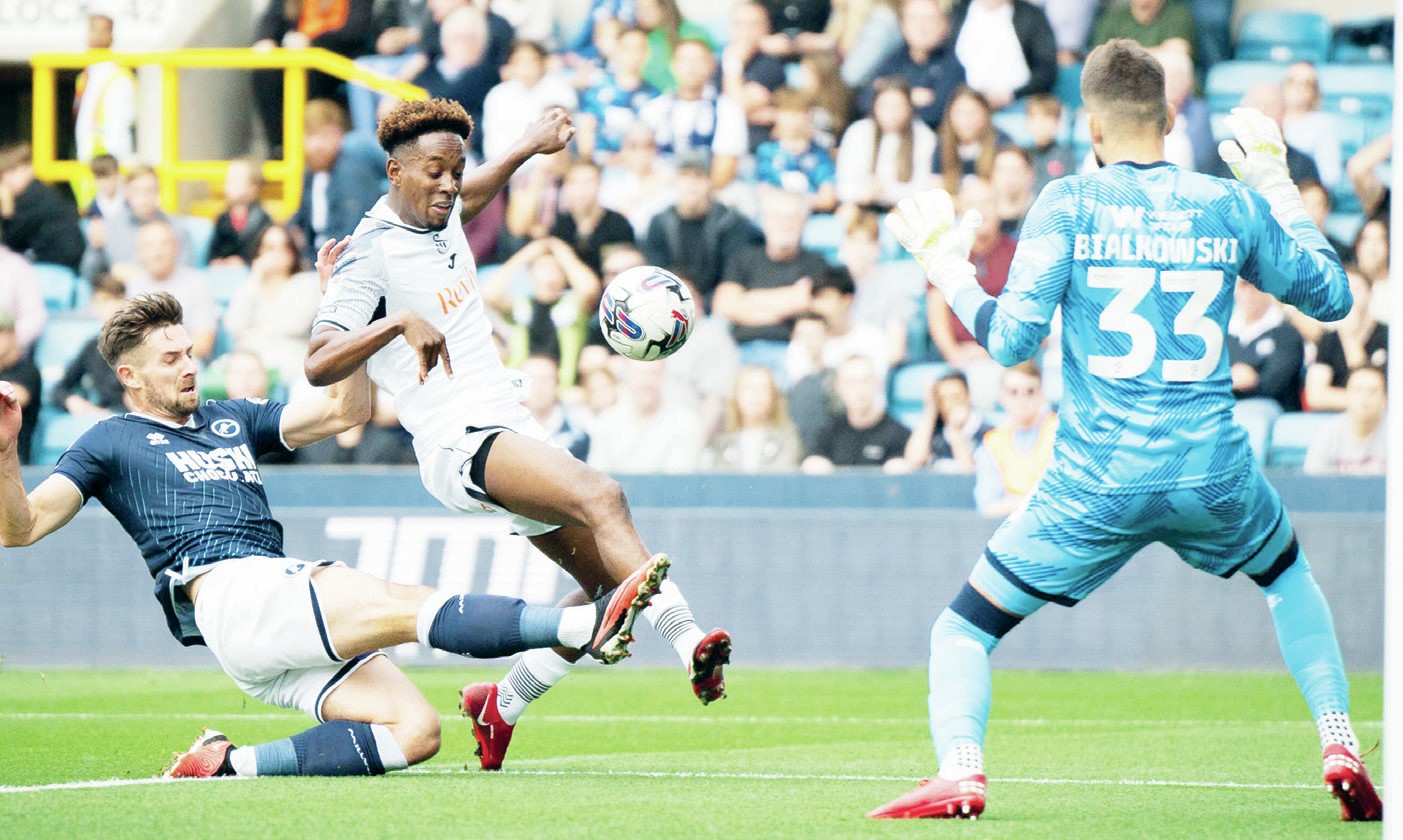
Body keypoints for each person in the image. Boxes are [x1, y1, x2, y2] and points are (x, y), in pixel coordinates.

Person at [871, 39, 1380, 821]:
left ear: (1091, 127)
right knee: (1285, 580)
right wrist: (1277, 186)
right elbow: (1333, 297)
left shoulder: (1068, 203)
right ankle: (1338, 740)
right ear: (1170, 119)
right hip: (1211, 471)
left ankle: (961, 770)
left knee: (962, 630)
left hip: (1096, 481)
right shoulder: (1225, 204)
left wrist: (947, 268)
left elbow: (1008, 340)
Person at [0, 287, 662, 779]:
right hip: (230, 591)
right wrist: (5, 451)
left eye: (190, 352)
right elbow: (20, 529)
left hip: (264, 621)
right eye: (170, 359)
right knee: (400, 604)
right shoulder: (108, 441)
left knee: (415, 731)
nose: (189, 366)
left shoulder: (230, 417)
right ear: (130, 376)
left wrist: (347, 315)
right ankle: (585, 625)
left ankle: (227, 765)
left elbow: (349, 408)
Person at [304, 99, 733, 772]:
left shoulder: (441, 210)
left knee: (601, 590)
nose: (450, 186)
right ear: (395, 171)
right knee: (602, 495)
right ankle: (690, 645)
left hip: (505, 422)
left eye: (455, 172)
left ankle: (500, 704)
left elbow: (473, 195)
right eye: (435, 173)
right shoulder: (369, 255)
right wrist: (395, 324)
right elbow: (318, 360)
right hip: (459, 438)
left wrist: (527, 146)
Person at [642, 151, 761, 305]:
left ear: (710, 181)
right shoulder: (660, 223)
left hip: (719, 304)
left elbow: (734, 274)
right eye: (684, 176)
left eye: (698, 176)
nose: (691, 183)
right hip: (670, 303)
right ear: (674, 182)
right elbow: (656, 271)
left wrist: (703, 302)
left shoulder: (730, 222)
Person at [222, 224, 324, 390]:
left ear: (292, 252)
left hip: (291, 355)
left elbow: (296, 325)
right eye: (269, 247)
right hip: (250, 357)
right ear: (259, 251)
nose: (276, 253)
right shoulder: (251, 285)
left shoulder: (307, 282)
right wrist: (255, 277)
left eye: (283, 247)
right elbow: (234, 325)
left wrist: (257, 333)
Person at [636, 38, 749, 189]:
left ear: (712, 66)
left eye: (698, 60)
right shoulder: (653, 109)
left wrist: (691, 194)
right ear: (673, 65)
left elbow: (725, 171)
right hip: (658, 189)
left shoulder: (728, 110)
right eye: (685, 60)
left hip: (709, 193)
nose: (691, 67)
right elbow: (639, 160)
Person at [289, 100, 387, 263]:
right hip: (316, 260)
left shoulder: (354, 172)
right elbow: (301, 220)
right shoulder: (310, 173)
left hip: (346, 262)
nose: (316, 145)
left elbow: (354, 233)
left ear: (340, 136)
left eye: (324, 136)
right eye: (310, 136)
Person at [835, 77, 937, 214]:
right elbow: (843, 185)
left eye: (898, 106)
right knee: (847, 213)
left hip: (905, 206)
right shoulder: (858, 132)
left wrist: (886, 192)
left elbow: (925, 188)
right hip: (863, 204)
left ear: (909, 108)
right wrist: (862, 192)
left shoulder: (924, 137)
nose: (891, 112)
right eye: (885, 106)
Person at [859, 0, 965, 131]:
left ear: (946, 24)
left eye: (930, 19)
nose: (922, 27)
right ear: (902, 25)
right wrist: (911, 96)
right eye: (914, 19)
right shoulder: (893, 59)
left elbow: (936, 113)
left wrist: (892, 99)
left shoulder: (953, 68)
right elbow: (865, 101)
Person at [586, 358, 706, 473]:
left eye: (654, 373)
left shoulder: (686, 422)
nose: (646, 382)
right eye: (638, 373)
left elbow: (679, 479)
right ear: (626, 376)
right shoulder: (606, 422)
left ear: (665, 376)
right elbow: (597, 476)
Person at [799, 353, 910, 473]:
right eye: (850, 382)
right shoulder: (828, 432)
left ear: (879, 384)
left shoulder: (899, 434)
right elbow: (812, 462)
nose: (859, 389)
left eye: (866, 381)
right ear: (838, 388)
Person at [124, 220, 219, 360]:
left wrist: (166, 359)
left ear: (176, 249)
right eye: (149, 245)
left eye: (164, 243)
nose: (157, 250)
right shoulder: (131, 285)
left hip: (186, 360)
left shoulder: (198, 283)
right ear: (138, 252)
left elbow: (203, 342)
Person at [971, 361, 1056, 516]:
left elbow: (1063, 500)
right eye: (1013, 392)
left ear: (1042, 395)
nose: (1022, 399)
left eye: (1030, 391)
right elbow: (988, 507)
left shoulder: (1060, 433)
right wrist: (1036, 500)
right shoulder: (993, 443)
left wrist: (1013, 501)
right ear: (1002, 397)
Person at [948, 0, 1058, 111]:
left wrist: (1013, 94)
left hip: (1020, 105)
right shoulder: (958, 12)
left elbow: (1046, 67)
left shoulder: (1031, 15)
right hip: (963, 107)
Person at [1304, 270, 1387, 413]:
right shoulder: (1329, 339)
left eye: (1355, 289)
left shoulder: (1389, 336)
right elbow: (1314, 397)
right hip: (1335, 416)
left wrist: (1350, 339)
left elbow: (1379, 393)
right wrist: (1363, 401)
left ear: (1370, 294)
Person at [0, 144, 86, 272]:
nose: (5, 180)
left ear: (27, 168)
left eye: (10, 171)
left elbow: (10, 243)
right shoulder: (41, 192)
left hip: (55, 268)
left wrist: (7, 211)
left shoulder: (31, 197)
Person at [52, 274, 128, 417]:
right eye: (101, 301)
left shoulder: (142, 343)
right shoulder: (92, 347)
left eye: (114, 299)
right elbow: (59, 388)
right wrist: (71, 400)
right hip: (103, 418)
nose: (109, 306)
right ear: (93, 306)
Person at [702, 364, 802, 472]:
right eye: (748, 388)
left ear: (773, 396)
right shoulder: (721, 441)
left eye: (763, 388)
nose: (756, 394)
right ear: (735, 395)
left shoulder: (787, 438)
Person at [1228, 278, 1305, 416]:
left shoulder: (1287, 333)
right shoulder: (1222, 333)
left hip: (1275, 413)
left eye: (1258, 286)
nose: (1251, 293)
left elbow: (1275, 384)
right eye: (1245, 286)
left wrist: (1250, 381)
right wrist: (1230, 379)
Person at [548, 160, 636, 276]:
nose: (581, 189)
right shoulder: (561, 223)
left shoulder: (617, 223)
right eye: (575, 182)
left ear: (600, 184)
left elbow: (621, 266)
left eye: (588, 182)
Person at [74, 11, 135, 164]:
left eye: (103, 30)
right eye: (93, 29)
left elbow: (121, 122)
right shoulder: (85, 75)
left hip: (108, 156)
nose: (98, 35)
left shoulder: (119, 74)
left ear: (111, 35)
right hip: (88, 152)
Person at [901, 370, 992, 473]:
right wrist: (930, 411)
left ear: (968, 396)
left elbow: (967, 473)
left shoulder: (988, 434)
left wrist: (956, 431)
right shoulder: (934, 433)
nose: (950, 403)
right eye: (943, 399)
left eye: (956, 397)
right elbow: (913, 461)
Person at [1303, 366, 1387, 476]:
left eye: (1373, 391)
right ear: (1347, 395)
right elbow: (1312, 478)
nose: (1364, 398)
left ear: (1384, 398)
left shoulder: (1396, 432)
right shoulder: (1329, 432)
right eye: (1357, 390)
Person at [207, 159, 273, 267]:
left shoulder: (263, 222)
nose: (228, 185)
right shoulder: (222, 219)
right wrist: (217, 262)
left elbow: (265, 257)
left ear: (253, 187)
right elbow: (213, 253)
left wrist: (245, 263)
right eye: (228, 180)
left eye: (236, 180)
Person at [1024, 93, 1076, 194]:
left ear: (1057, 123)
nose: (1040, 125)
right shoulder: (1023, 155)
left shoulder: (1064, 156)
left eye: (1046, 119)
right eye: (1034, 118)